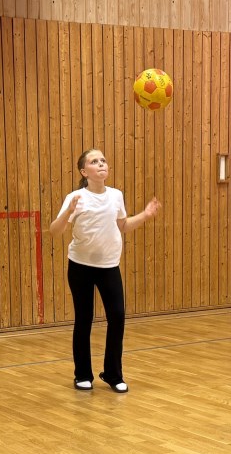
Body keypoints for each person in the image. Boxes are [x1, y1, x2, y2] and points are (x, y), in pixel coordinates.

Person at [48, 148, 160, 393]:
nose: (101, 164)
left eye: (103, 160)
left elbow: (123, 225)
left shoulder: (116, 195)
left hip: (109, 266)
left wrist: (145, 214)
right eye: (94, 161)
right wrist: (68, 212)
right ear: (84, 171)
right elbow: (55, 231)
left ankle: (113, 374)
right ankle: (82, 375)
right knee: (84, 318)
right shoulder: (75, 197)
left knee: (117, 317)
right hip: (80, 266)